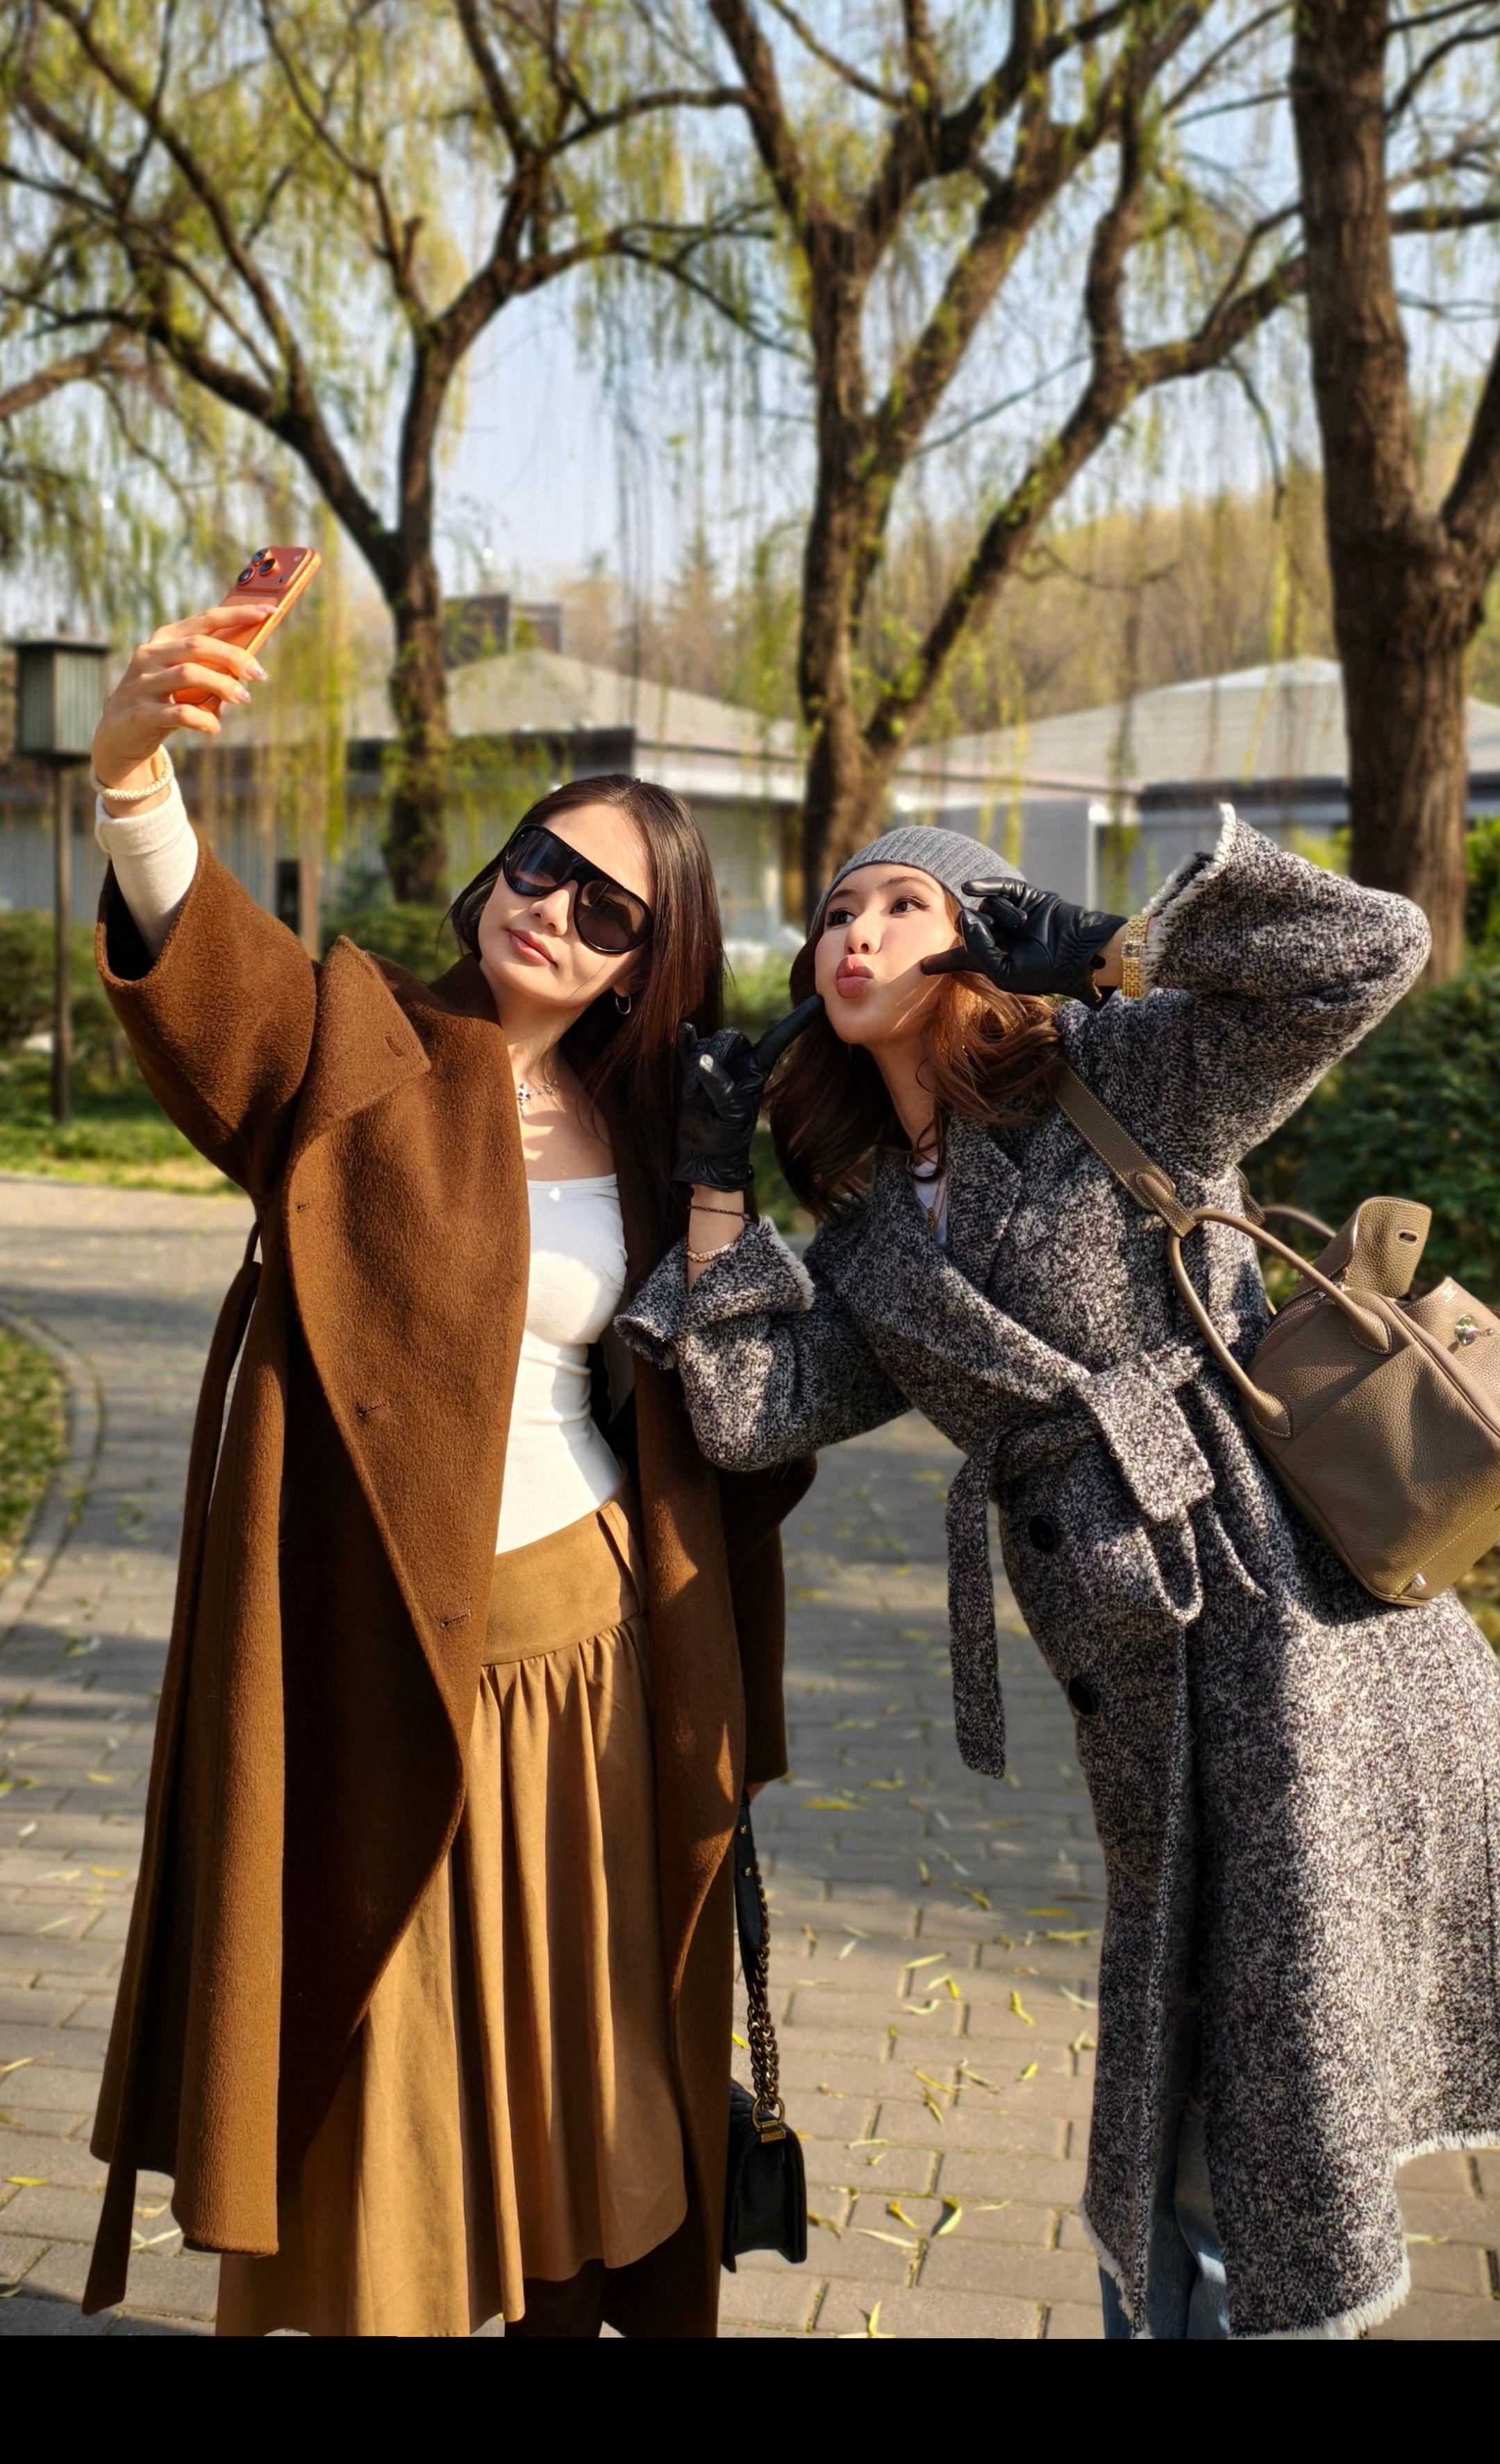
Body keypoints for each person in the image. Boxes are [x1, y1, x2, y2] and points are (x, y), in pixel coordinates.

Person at [618, 816, 1500, 2340]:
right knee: (1212, 2049)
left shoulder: (1128, 1073)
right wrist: (712, 1182)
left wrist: (1112, 947)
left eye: (906, 903)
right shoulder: (874, 1231)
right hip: (1136, 1671)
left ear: (979, 936)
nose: (856, 934)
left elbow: (1373, 951)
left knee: (1256, 2059)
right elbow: (751, 1408)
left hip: (1297, 1625)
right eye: (836, 911)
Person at [80, 599, 806, 2338]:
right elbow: (213, 967)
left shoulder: (656, 1129)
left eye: (608, 907)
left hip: (601, 1663)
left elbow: (739, 1409)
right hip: (388, 1667)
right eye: (540, 862)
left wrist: (722, 1185)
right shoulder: (365, 1042)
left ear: (647, 962)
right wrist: (131, 776)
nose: (552, 906)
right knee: (389, 2049)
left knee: (581, 2059)